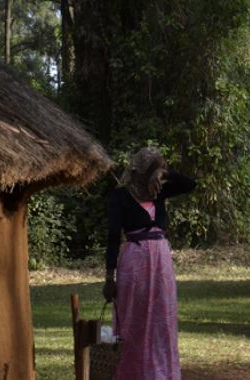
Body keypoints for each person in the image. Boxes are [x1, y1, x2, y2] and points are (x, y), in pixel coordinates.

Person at [103, 147, 196, 380]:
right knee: (133, 319)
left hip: (161, 262)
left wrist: (165, 175)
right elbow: (113, 237)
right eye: (155, 170)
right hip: (135, 263)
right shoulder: (119, 197)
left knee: (161, 318)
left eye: (161, 170)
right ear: (141, 171)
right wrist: (109, 277)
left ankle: (160, 373)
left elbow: (190, 184)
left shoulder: (160, 192)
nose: (159, 175)